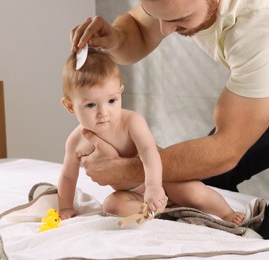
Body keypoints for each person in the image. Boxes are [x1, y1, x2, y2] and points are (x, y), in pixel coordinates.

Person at [70, 0, 269, 237]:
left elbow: (225, 150)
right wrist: (115, 38)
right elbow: (140, 27)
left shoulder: (257, 28)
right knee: (202, 185)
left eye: (178, 20)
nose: (164, 29)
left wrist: (130, 170)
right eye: (158, 17)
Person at [58, 48, 245, 225]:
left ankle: (226, 213)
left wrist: (154, 186)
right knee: (112, 205)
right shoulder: (76, 141)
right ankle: (158, 213)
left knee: (194, 192)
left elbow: (149, 152)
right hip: (130, 192)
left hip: (163, 180)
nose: (103, 112)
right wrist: (65, 207)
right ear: (70, 107)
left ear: (120, 93)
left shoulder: (131, 122)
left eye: (112, 101)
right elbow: (68, 176)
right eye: (91, 105)